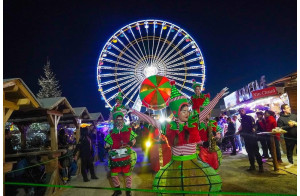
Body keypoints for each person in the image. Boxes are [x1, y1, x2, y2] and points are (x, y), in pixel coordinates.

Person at [131, 82, 227, 194]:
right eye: (184, 111)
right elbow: (150, 120)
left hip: (193, 165)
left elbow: (207, 109)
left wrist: (219, 95)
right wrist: (134, 112)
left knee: (193, 188)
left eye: (188, 111)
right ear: (176, 112)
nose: (187, 113)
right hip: (175, 166)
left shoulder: (193, 122)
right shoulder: (168, 126)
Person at [105, 109, 137, 196]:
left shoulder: (129, 130)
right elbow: (107, 143)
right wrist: (108, 149)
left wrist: (130, 143)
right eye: (117, 119)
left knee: (127, 174)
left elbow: (134, 139)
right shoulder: (111, 132)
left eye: (121, 119)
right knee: (114, 174)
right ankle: (117, 190)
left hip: (126, 156)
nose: (119, 121)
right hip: (115, 157)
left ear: (123, 119)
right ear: (115, 120)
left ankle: (128, 191)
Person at [238, 108, 263, 172]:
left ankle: (261, 166)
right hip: (246, 138)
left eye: (242, 111)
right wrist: (240, 132)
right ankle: (252, 166)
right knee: (249, 152)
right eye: (240, 111)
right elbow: (243, 128)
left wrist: (254, 128)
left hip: (252, 137)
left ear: (244, 111)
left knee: (256, 152)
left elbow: (254, 125)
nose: (241, 112)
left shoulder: (249, 117)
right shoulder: (242, 119)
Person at [277, 104, 297, 168]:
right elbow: (280, 128)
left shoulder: (294, 116)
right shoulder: (280, 119)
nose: (289, 108)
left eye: (289, 107)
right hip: (288, 137)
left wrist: (295, 123)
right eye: (288, 108)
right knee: (289, 150)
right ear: (284, 110)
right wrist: (289, 126)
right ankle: (290, 162)